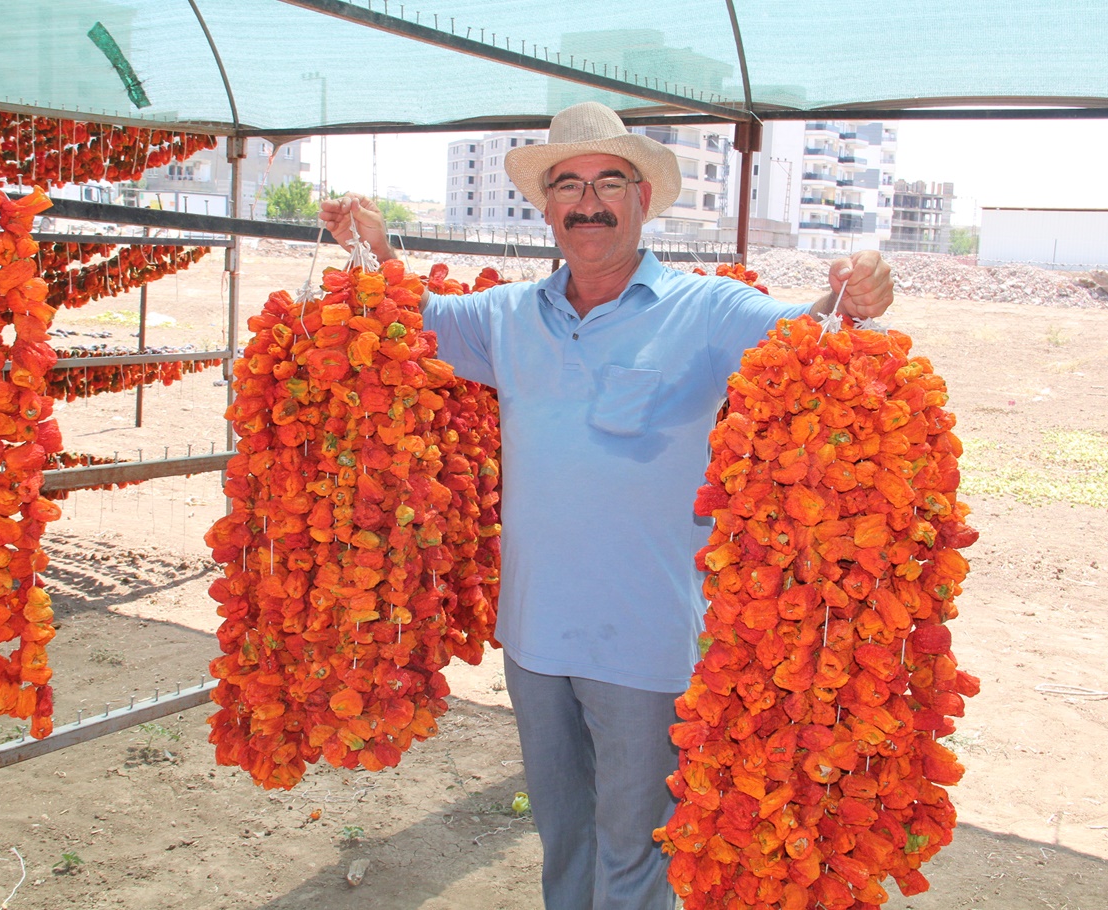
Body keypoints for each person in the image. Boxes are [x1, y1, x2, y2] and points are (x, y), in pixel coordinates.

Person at [320, 101, 894, 910]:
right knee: (565, 839)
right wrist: (373, 250)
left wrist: (856, 295)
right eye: (568, 185)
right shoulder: (508, 315)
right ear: (547, 206)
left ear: (642, 199)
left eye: (608, 183)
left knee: (635, 850)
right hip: (535, 638)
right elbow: (408, 318)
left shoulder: (705, 310)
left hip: (644, 644)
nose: (588, 203)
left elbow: (809, 331)